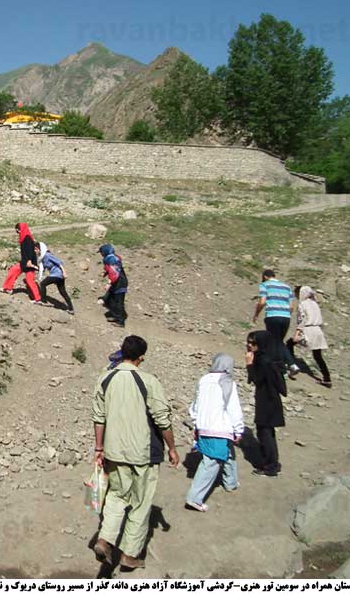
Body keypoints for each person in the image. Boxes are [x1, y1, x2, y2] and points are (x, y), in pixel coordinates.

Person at [92, 335, 178, 570]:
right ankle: (129, 554)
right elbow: (162, 418)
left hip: (113, 450)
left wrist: (99, 448)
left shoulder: (105, 379)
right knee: (140, 503)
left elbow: (99, 418)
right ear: (141, 357)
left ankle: (104, 539)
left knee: (117, 496)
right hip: (143, 452)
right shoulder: (148, 381)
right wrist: (172, 447)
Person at [184, 354, 244, 512]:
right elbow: (233, 408)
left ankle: (230, 482)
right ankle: (194, 497)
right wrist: (239, 429)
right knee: (211, 462)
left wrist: (196, 423)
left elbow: (195, 404)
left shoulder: (203, 380)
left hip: (204, 426)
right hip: (219, 427)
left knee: (227, 452)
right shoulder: (227, 382)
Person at [246, 330, 287, 477]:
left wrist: (249, 365)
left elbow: (256, 379)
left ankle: (271, 465)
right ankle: (270, 461)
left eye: (253, 343)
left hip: (267, 400)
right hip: (270, 399)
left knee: (265, 433)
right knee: (266, 432)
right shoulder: (267, 358)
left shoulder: (263, 361)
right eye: (249, 342)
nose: (250, 345)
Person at [252, 269, 300, 379]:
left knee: (275, 342)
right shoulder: (286, 287)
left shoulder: (265, 285)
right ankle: (283, 366)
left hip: (273, 316)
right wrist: (285, 314)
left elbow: (262, 302)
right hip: (286, 317)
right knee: (278, 342)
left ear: (265, 276)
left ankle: (290, 365)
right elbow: (291, 306)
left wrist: (256, 314)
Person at [287, 286, 331, 388]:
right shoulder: (315, 304)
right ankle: (327, 378)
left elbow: (302, 319)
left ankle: (292, 364)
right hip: (318, 330)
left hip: (308, 330)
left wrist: (297, 332)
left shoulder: (303, 304)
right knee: (318, 356)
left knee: (290, 343)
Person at [1, 223, 41, 303]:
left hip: (29, 263)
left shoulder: (27, 238)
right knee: (13, 271)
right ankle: (7, 288)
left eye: (18, 230)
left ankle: (37, 298)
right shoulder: (23, 237)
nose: (18, 232)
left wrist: (29, 260)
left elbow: (30, 250)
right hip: (24, 262)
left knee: (30, 280)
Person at [35, 244, 74, 313]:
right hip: (57, 275)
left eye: (36, 249)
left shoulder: (47, 255)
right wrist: (34, 268)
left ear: (40, 249)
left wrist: (64, 272)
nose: (35, 251)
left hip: (57, 274)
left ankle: (44, 301)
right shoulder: (42, 258)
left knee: (43, 284)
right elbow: (43, 268)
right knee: (62, 291)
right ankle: (71, 309)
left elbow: (59, 263)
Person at [99, 244, 128, 327]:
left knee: (118, 302)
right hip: (117, 282)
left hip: (119, 283)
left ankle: (120, 321)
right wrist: (105, 273)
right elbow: (114, 269)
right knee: (111, 299)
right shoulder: (113, 258)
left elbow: (114, 273)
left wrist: (109, 283)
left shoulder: (111, 259)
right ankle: (115, 316)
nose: (101, 254)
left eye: (101, 252)